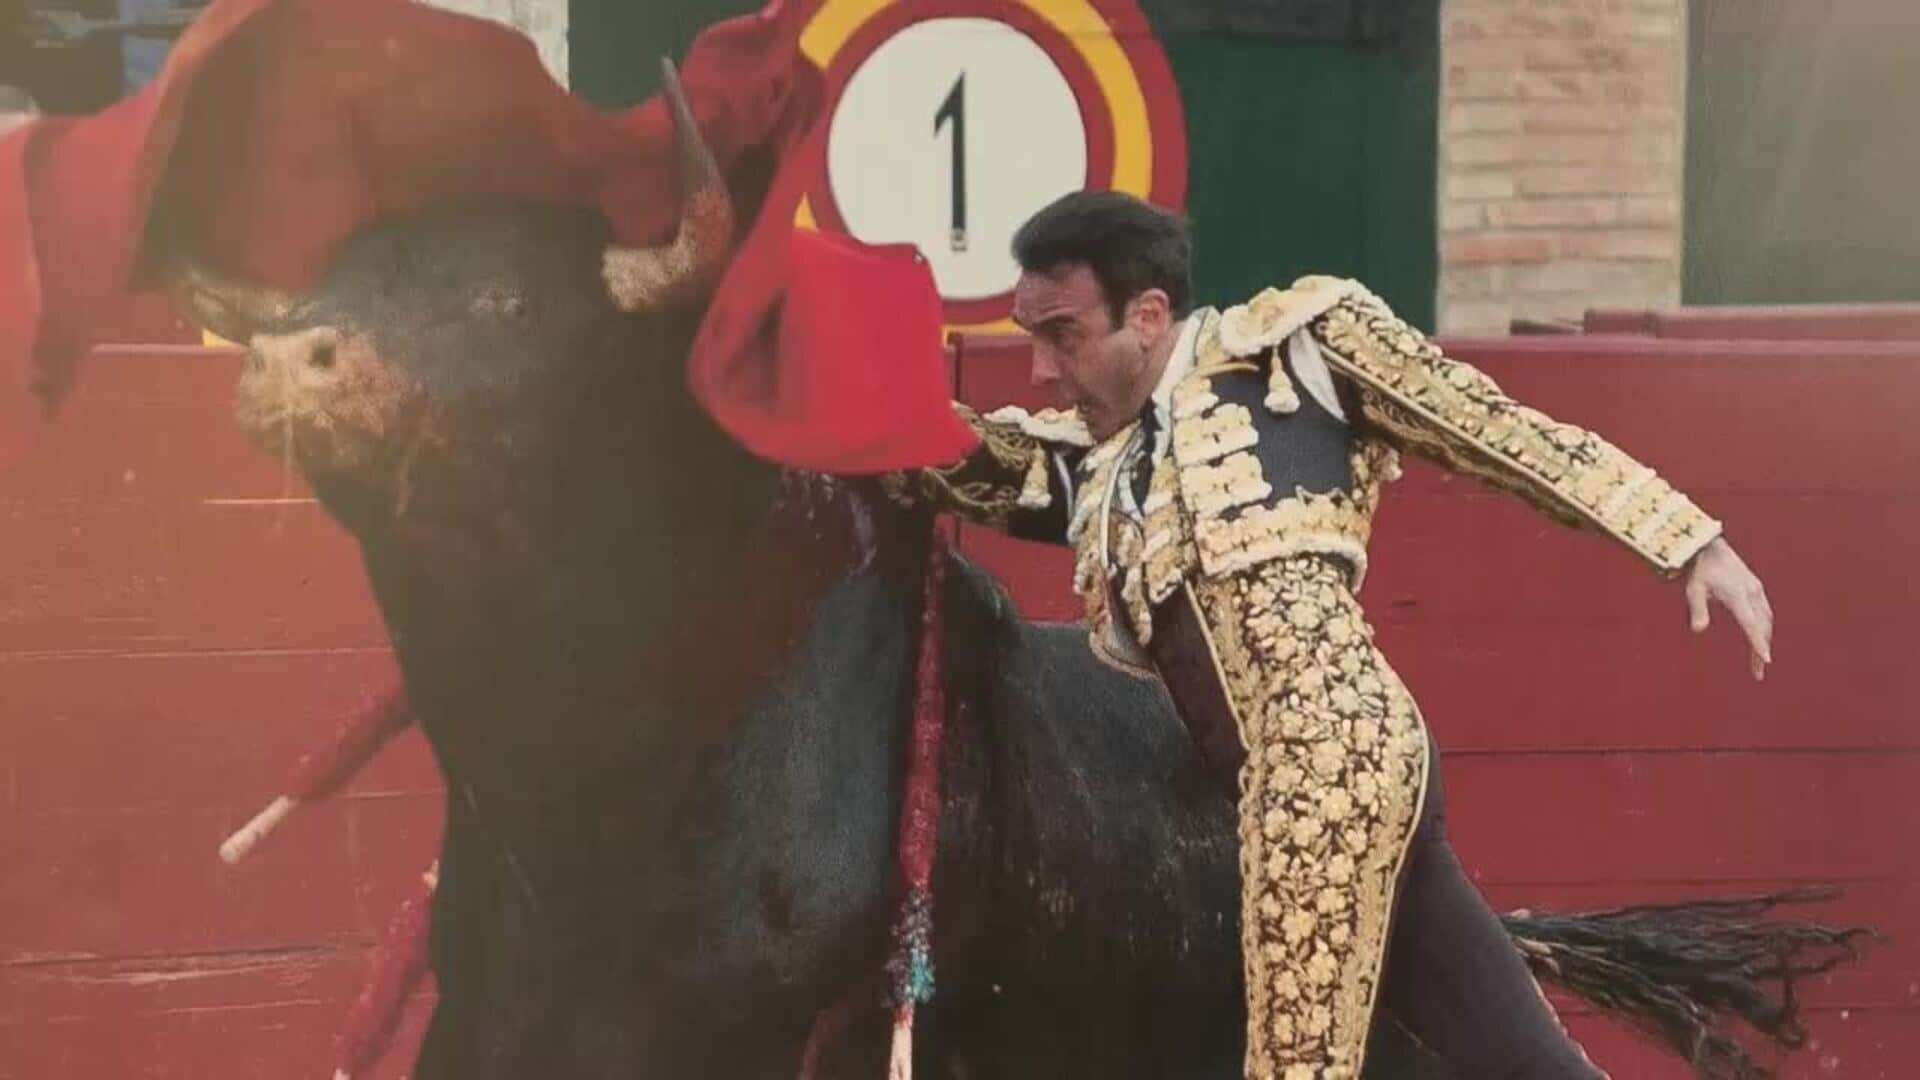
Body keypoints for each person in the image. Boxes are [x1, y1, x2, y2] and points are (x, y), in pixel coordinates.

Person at [888, 191, 1774, 1079]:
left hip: (1326, 766)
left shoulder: (1295, 355)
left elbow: (1494, 432)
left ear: (1149, 316)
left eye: (1064, 335)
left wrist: (1682, 538)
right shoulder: (1103, 464)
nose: (1042, 368)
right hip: (1285, 789)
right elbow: (967, 461)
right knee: (1523, 1059)